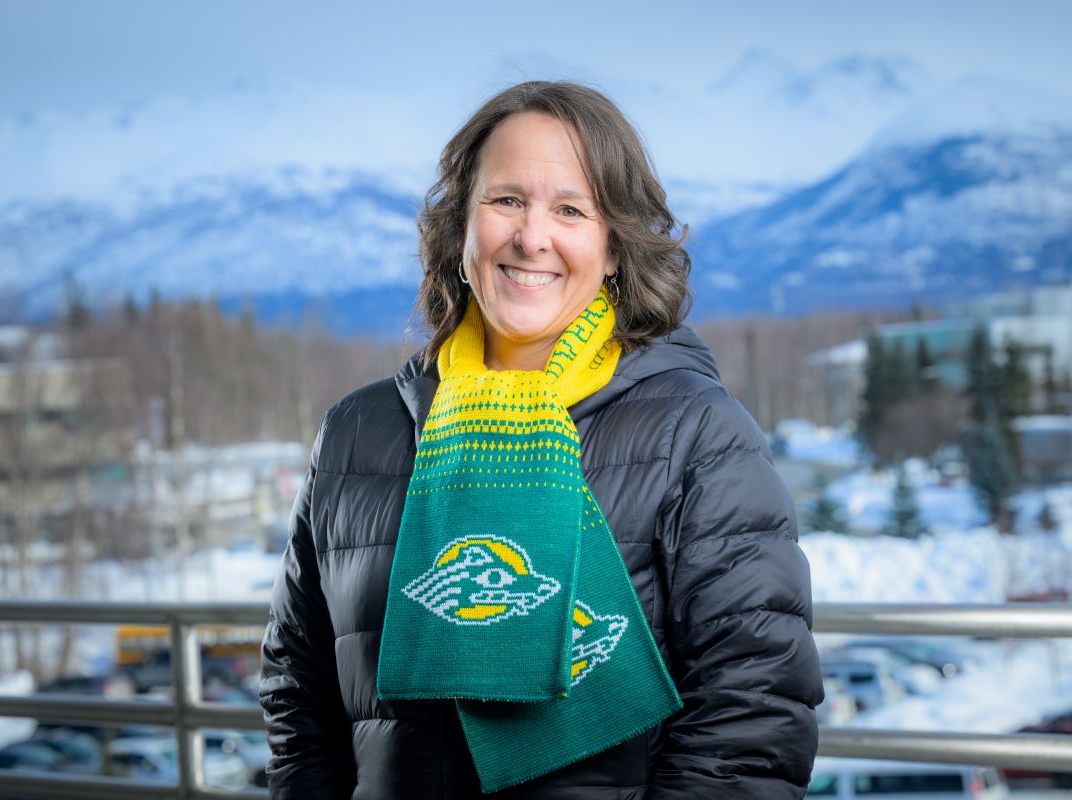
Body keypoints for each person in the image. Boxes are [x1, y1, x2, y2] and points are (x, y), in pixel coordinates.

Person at [260, 80, 823, 799]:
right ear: (461, 225)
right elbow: (297, 692)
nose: (532, 237)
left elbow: (754, 715)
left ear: (614, 246)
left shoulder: (697, 433)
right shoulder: (355, 435)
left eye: (570, 210)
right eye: (506, 201)